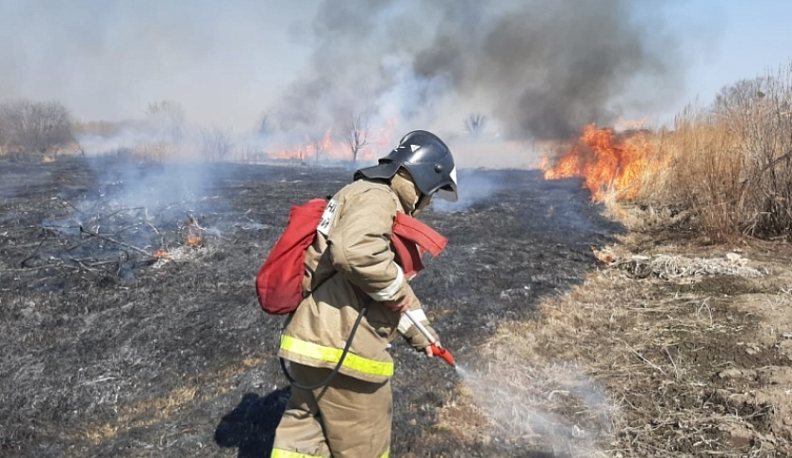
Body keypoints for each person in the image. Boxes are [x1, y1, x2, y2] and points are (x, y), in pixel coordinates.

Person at [270, 130, 458, 458]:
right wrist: (396, 289)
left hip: (311, 341)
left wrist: (424, 335)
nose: (429, 203)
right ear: (427, 176)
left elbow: (378, 280)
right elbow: (356, 253)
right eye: (435, 193)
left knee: (302, 436)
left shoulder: (358, 193)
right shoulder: (378, 197)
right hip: (345, 352)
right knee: (365, 446)